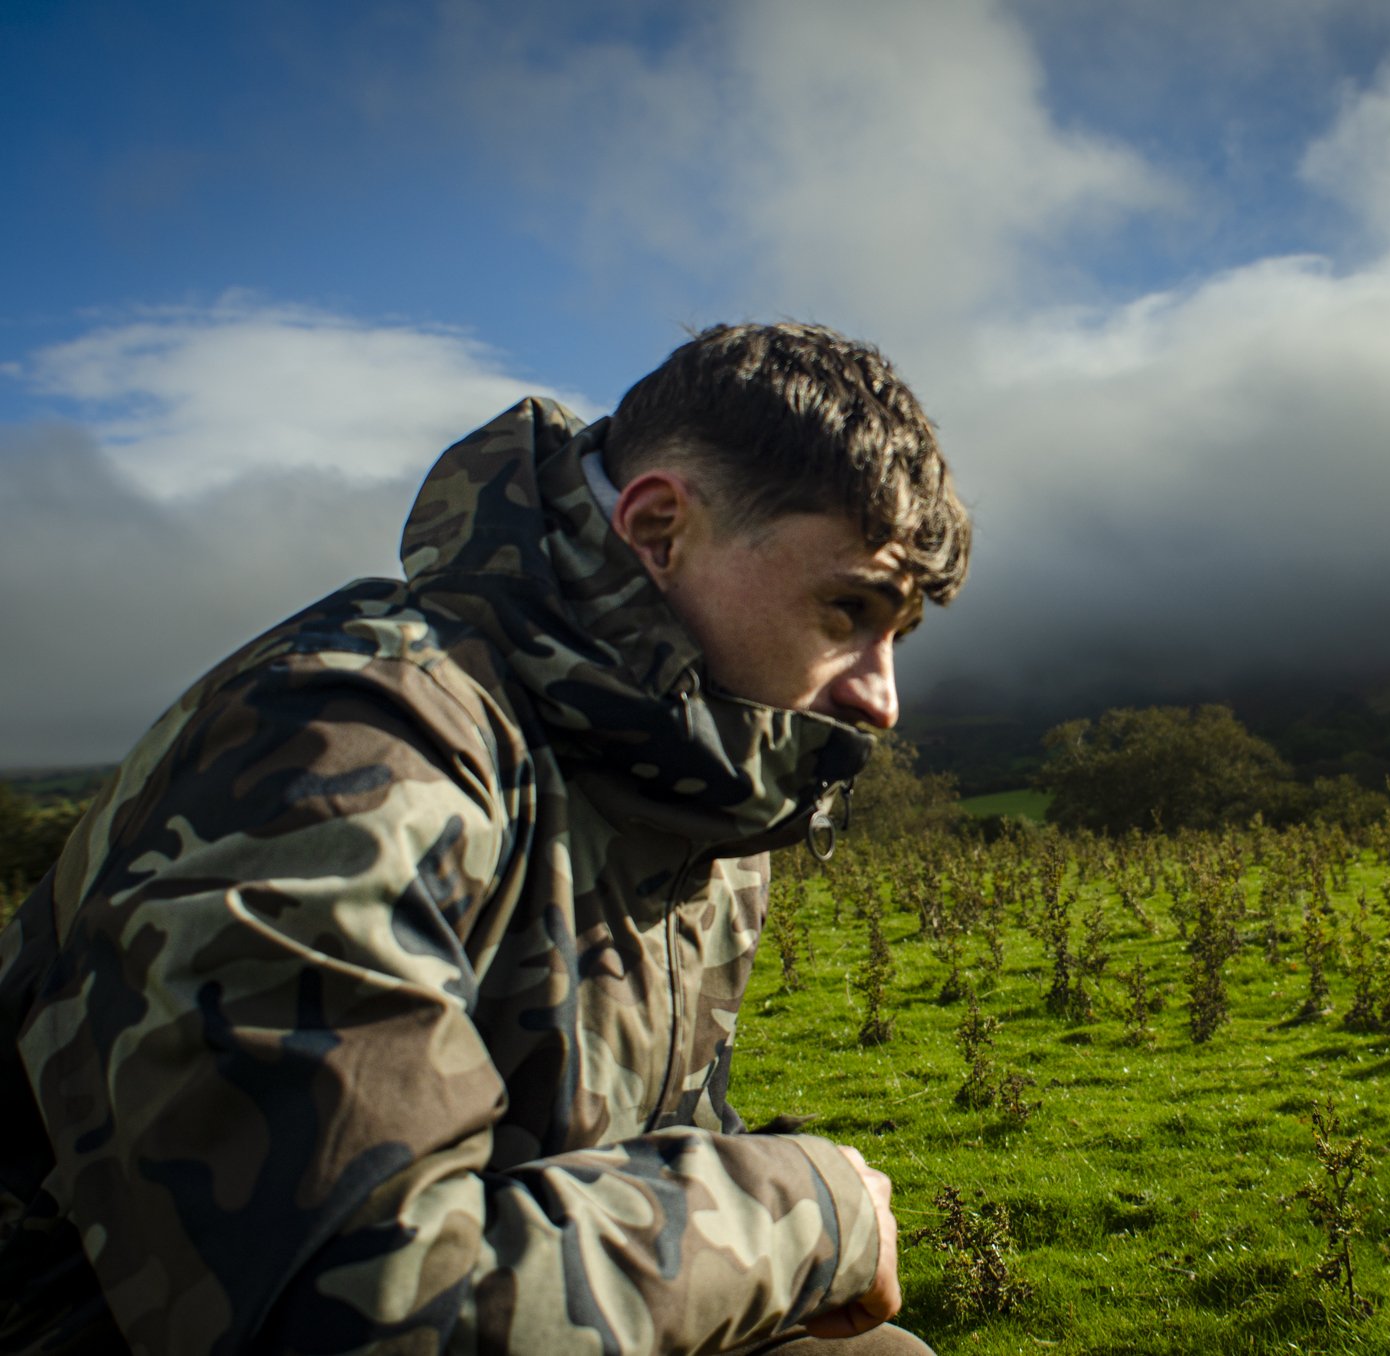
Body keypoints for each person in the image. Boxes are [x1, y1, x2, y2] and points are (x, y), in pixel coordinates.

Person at [0, 322, 970, 1354]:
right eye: (847, 611)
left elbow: (635, 1155)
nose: (881, 700)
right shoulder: (350, 744)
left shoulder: (697, 802)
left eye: (894, 636)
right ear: (655, 530)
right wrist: (805, 1211)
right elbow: (355, 1310)